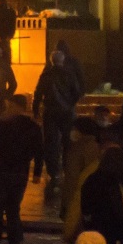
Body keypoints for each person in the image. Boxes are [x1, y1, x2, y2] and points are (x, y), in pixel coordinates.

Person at [0, 94, 43, 244]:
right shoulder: (32, 126)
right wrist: (37, 172)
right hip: (18, 171)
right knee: (12, 209)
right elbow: (39, 150)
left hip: (4, 171)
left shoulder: (4, 122)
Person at [33, 49, 81, 196]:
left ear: (51, 60)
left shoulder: (46, 75)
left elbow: (38, 93)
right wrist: (70, 104)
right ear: (63, 60)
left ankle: (53, 172)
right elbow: (77, 92)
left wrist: (35, 110)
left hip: (51, 111)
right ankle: (68, 168)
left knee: (51, 142)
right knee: (68, 141)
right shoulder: (70, 74)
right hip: (67, 112)